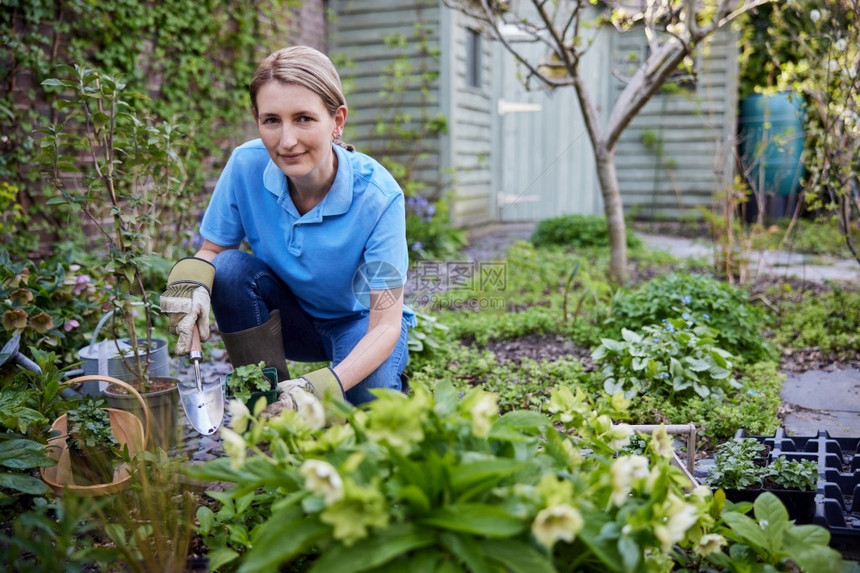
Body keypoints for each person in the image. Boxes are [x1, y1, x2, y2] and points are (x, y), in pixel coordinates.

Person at [160, 45, 414, 417]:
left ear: (337, 121)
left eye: (304, 119)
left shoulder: (379, 196)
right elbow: (212, 251)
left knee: (367, 403)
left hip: (359, 324)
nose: (286, 141)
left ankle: (367, 387)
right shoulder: (246, 165)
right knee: (228, 270)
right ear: (256, 119)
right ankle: (267, 410)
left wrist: (320, 387)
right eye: (272, 120)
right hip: (290, 319)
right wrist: (188, 285)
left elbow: (385, 324)